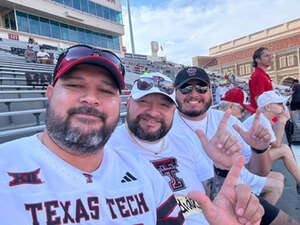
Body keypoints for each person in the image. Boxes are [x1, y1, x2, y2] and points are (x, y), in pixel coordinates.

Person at [0, 45, 186, 224]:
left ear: (119, 103)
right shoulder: (5, 166)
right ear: (49, 93)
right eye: (74, 85)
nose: (91, 98)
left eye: (105, 91)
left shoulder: (142, 170)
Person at [108, 72, 264, 225]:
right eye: (144, 102)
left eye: (164, 105)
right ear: (128, 103)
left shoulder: (183, 141)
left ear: (174, 110)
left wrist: (221, 169)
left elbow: (212, 192)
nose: (153, 112)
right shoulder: (105, 150)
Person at [172, 66, 300, 225]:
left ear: (209, 91)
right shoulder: (164, 127)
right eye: (185, 88)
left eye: (201, 88)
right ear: (175, 93)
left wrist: (259, 150)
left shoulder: (227, 121)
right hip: (193, 203)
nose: (194, 94)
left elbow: (260, 172)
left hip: (236, 194)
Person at [218, 88, 284, 205]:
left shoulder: (228, 120)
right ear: (231, 106)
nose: (244, 114)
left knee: (278, 177)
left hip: (234, 169)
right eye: (242, 109)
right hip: (227, 175)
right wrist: (283, 122)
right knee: (276, 185)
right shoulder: (227, 122)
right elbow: (253, 165)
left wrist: (259, 149)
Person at [244, 90, 300, 194]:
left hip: (248, 159)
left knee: (284, 149)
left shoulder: (262, 118)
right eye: (279, 104)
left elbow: (272, 144)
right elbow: (276, 144)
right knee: (284, 150)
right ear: (268, 107)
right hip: (246, 163)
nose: (283, 106)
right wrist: (282, 122)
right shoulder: (262, 120)